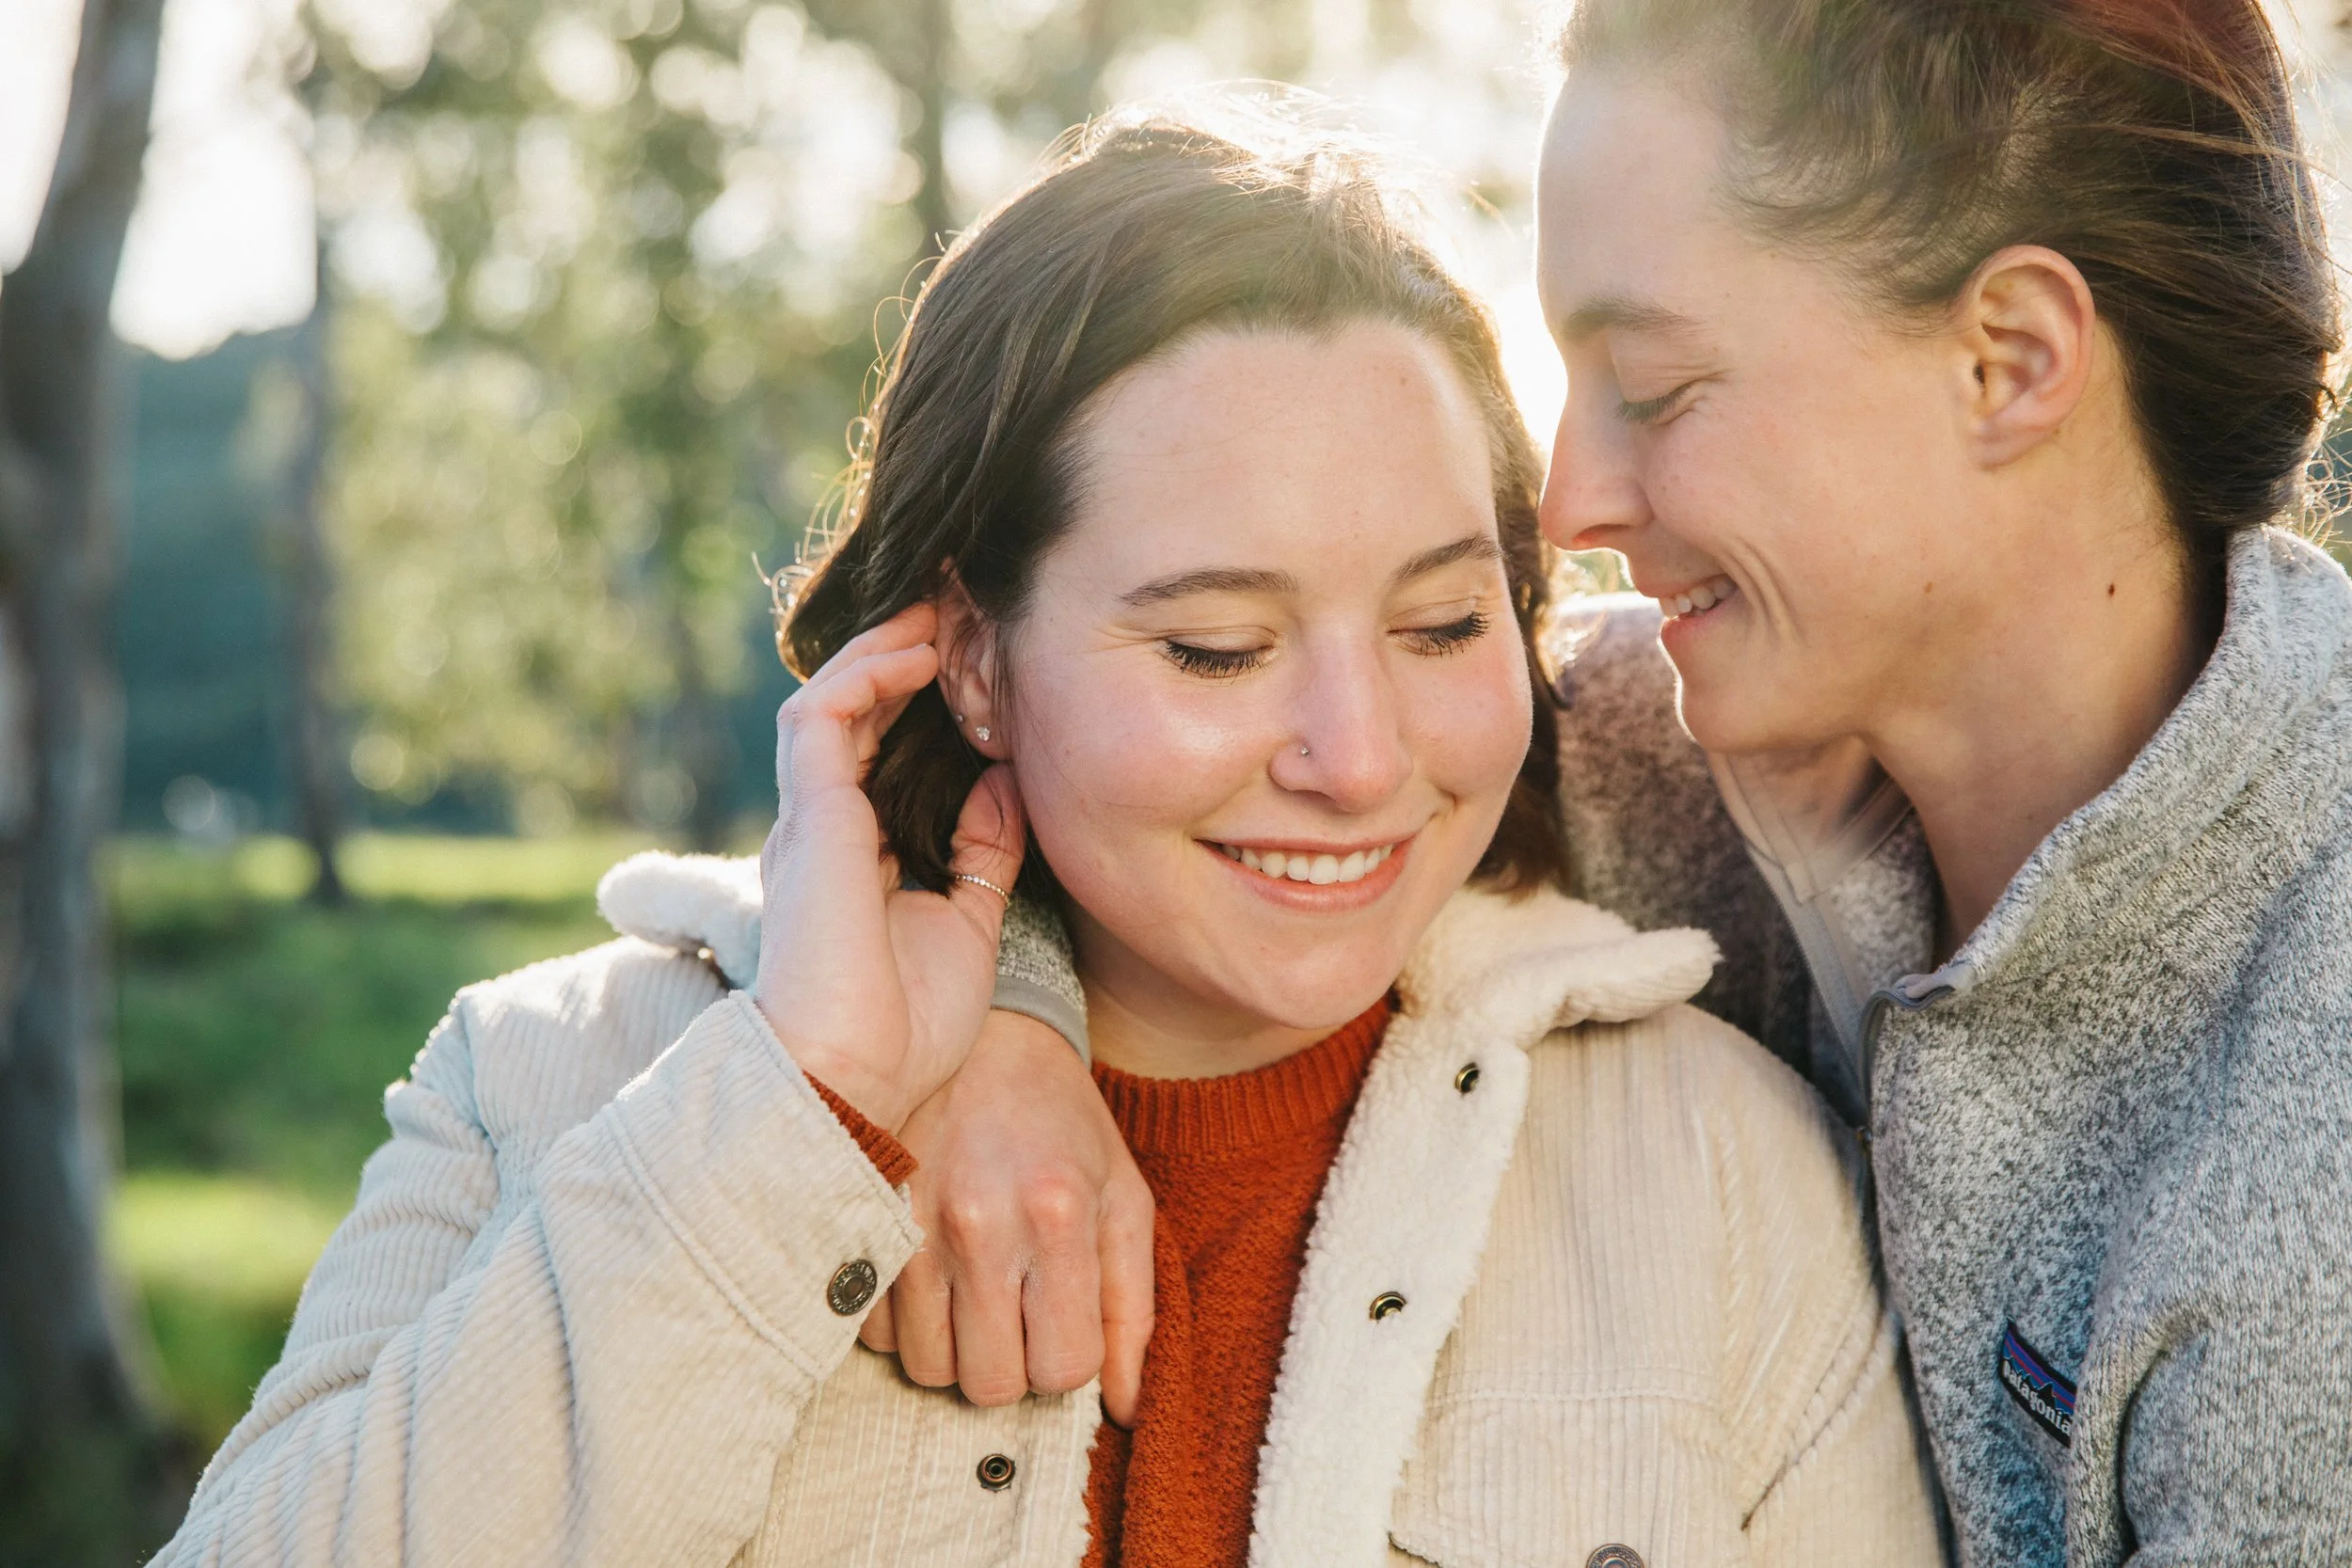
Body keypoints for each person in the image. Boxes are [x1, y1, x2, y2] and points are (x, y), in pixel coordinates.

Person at [155, 118, 1937, 1565]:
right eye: (1215, 648)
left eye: (1444, 625)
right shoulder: (547, 1085)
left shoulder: (1728, 1187)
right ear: (977, 659)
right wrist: (806, 1106)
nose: (1356, 753)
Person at [930, 3, 2352, 1562]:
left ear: (2007, 358)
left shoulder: (2314, 1085)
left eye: (1656, 389)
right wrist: (1003, 1020)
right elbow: (1031, 706)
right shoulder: (1634, 738)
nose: (1569, 499)